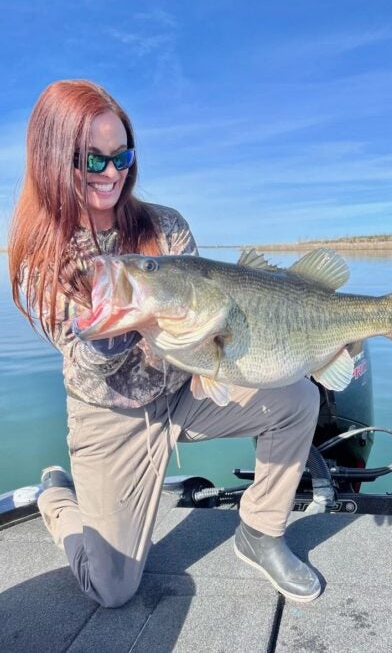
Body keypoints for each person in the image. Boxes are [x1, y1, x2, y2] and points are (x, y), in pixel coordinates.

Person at [9, 79, 321, 608]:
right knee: (112, 589)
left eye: (122, 155)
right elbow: (84, 363)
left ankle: (260, 532)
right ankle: (57, 496)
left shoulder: (167, 227)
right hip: (110, 418)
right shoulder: (42, 257)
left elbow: (203, 328)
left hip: (181, 390)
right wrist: (108, 339)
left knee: (297, 398)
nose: (113, 173)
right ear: (55, 159)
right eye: (94, 160)